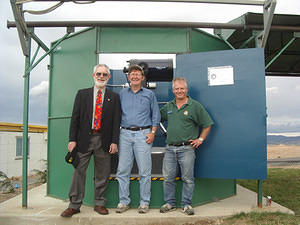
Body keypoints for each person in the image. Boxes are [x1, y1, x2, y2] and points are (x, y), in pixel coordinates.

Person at [61, 64, 121, 217]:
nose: (101, 77)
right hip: (83, 140)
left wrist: (114, 141)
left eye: (105, 74)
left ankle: (100, 203)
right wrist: (72, 139)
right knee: (78, 171)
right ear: (93, 76)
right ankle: (74, 205)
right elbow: (75, 118)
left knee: (102, 173)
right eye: (99, 74)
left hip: (104, 140)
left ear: (108, 77)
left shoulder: (114, 97)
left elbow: (116, 121)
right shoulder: (82, 94)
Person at [159, 77, 213, 216]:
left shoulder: (195, 106)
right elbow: (157, 118)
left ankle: (186, 205)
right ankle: (169, 203)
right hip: (170, 149)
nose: (179, 91)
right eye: (176, 89)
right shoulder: (169, 106)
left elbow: (207, 124)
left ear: (186, 90)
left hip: (187, 149)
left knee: (188, 179)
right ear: (173, 91)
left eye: (182, 88)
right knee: (168, 178)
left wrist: (200, 139)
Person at [116, 65, 161, 214]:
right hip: (125, 135)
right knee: (122, 170)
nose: (135, 76)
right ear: (129, 77)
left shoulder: (149, 94)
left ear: (143, 78)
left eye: (138, 74)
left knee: (145, 171)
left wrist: (153, 132)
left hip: (143, 134)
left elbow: (156, 115)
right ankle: (124, 202)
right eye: (132, 74)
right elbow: (116, 115)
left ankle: (144, 203)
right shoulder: (122, 94)